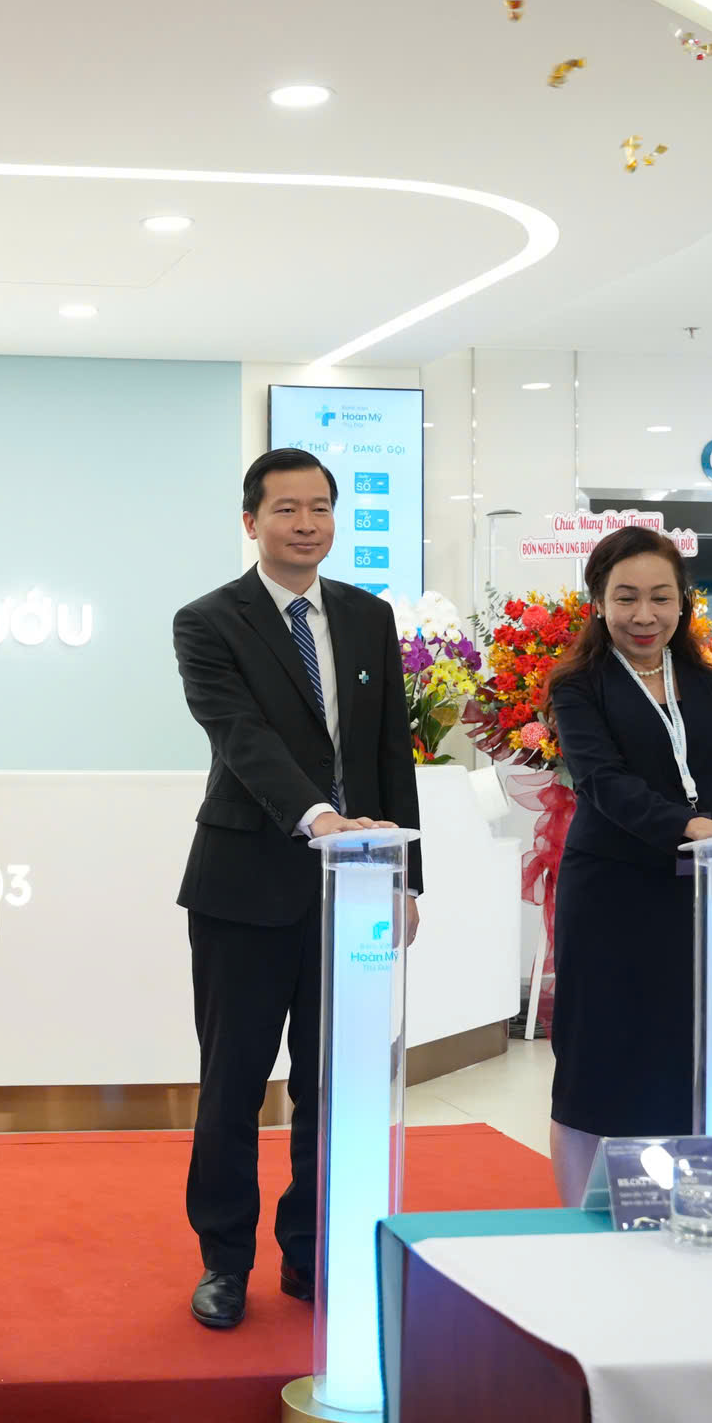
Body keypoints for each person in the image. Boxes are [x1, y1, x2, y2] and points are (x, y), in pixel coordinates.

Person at [171, 448, 420, 1330]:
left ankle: (312, 1253)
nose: (306, 524)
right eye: (286, 509)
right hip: (244, 887)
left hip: (355, 892)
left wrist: (405, 878)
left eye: (320, 508)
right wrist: (318, 818)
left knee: (333, 1084)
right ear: (252, 522)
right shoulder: (209, 621)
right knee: (233, 1085)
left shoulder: (366, 615)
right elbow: (240, 736)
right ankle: (224, 1261)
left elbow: (389, 752)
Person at [544, 525, 712, 1205]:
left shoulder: (710, 686)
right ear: (598, 602)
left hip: (699, 900)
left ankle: (687, 1212)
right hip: (609, 896)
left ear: (683, 603)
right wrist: (691, 826)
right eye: (626, 598)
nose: (644, 615)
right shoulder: (578, 685)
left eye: (661, 598)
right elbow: (603, 782)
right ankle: (582, 1223)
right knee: (598, 1062)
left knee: (687, 1058)